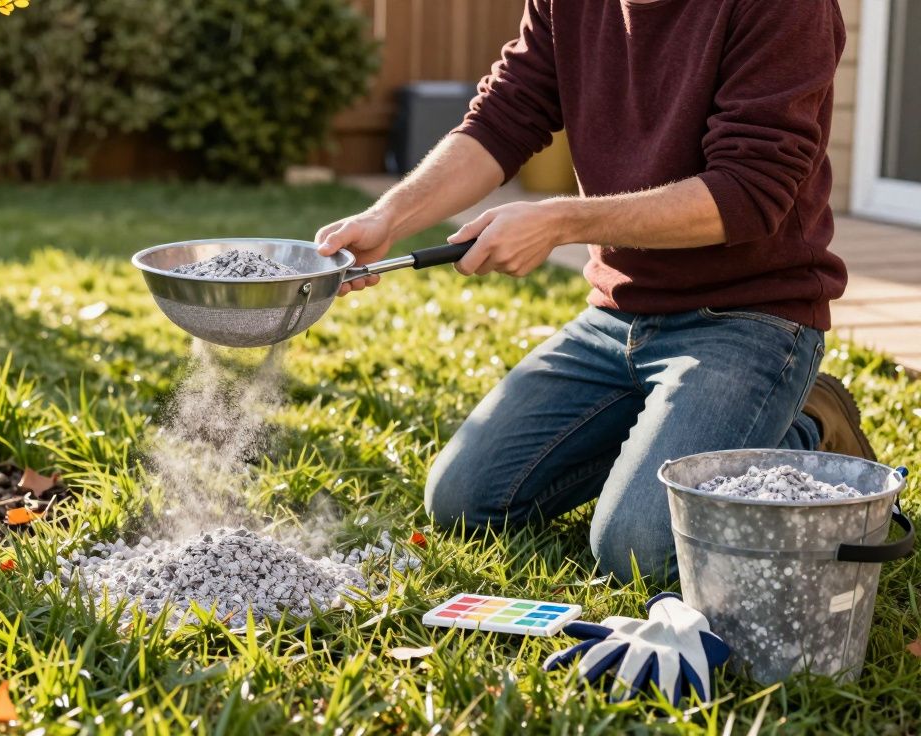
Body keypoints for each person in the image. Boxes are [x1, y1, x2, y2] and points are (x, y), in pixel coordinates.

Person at [314, 0, 874, 580]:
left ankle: (807, 426)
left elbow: (749, 192)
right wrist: (388, 217)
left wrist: (561, 221)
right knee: (463, 503)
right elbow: (505, 115)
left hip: (750, 320)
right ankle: (673, 433)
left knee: (639, 550)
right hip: (617, 319)